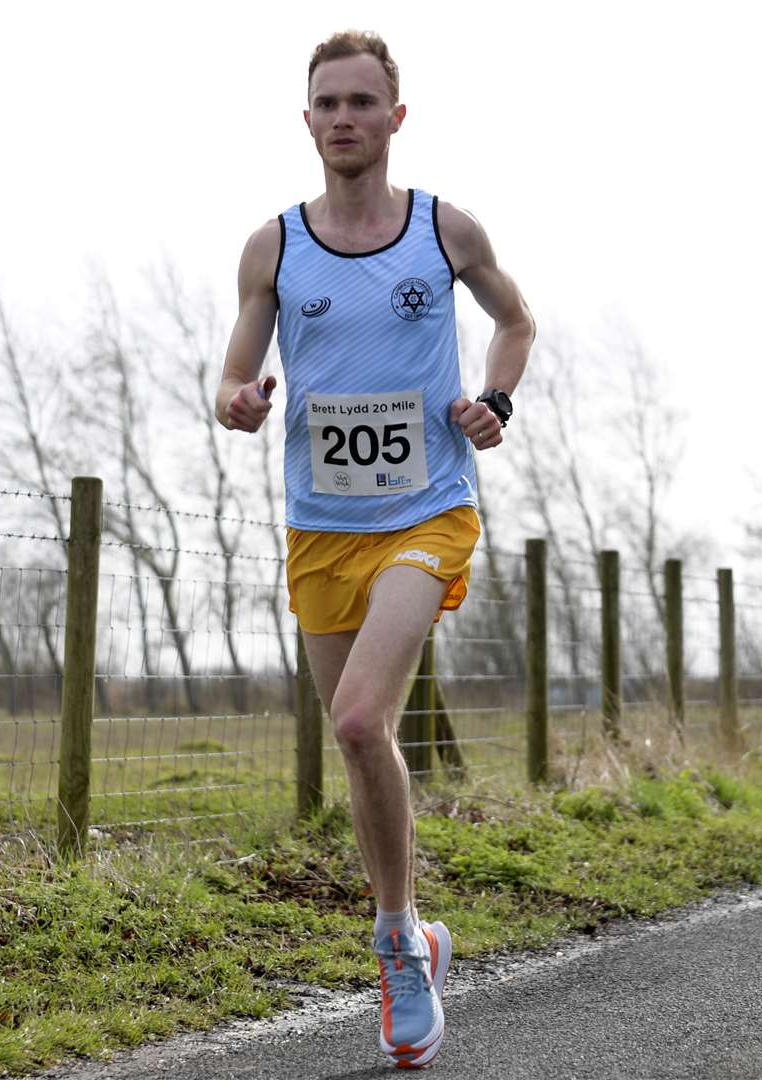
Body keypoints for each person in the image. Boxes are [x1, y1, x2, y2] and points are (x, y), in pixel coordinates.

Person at [215, 29, 534, 1069]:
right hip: (321, 529)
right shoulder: (272, 246)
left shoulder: (444, 231)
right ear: (307, 121)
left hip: (428, 512)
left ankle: (395, 941)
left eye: (363, 101)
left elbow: (517, 322)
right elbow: (232, 380)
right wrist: (245, 401)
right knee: (362, 744)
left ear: (396, 118)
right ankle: (419, 930)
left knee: (359, 716)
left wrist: (493, 402)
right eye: (328, 103)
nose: (345, 117)